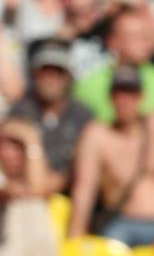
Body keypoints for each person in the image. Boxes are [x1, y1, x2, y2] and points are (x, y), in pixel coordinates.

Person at [68, 65, 154, 247]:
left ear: (141, 97)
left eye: (130, 94)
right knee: (113, 244)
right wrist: (74, 237)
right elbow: (84, 189)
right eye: (118, 94)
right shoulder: (97, 135)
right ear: (110, 98)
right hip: (121, 225)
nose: (124, 100)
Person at [8, 39, 94, 192]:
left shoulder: (83, 116)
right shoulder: (19, 111)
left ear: (68, 77)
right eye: (45, 72)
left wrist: (59, 181)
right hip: (27, 195)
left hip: (69, 195)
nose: (51, 79)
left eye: (58, 73)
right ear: (34, 75)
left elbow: (88, 167)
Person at [0, 117, 58, 256]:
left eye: (18, 147)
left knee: (33, 204)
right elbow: (28, 190)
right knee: (25, 204)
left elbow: (39, 188)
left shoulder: (40, 172)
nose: (10, 154)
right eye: (5, 146)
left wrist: (31, 140)